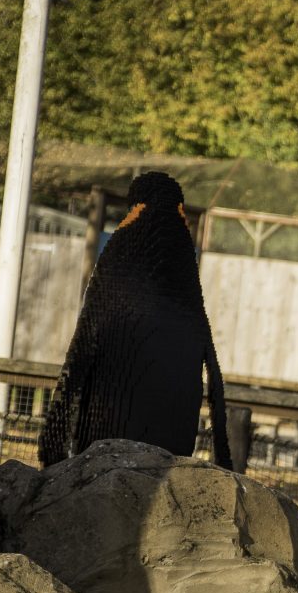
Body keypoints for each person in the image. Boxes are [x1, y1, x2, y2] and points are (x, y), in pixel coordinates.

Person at [39, 171, 233, 471]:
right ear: (178, 206)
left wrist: (54, 444)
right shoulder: (182, 261)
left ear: (137, 204)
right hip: (171, 437)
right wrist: (224, 453)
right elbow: (206, 348)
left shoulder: (121, 250)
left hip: (108, 428)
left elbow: (87, 337)